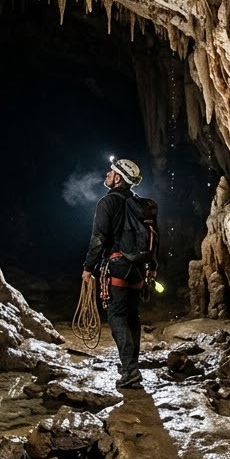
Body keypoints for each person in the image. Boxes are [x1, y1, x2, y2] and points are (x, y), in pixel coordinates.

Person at [81, 157, 149, 388]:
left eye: (110, 173)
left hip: (117, 266)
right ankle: (130, 366)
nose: (107, 175)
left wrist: (88, 269)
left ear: (118, 178)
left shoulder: (107, 203)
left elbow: (98, 239)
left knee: (117, 317)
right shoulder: (139, 204)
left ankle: (130, 371)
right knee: (132, 317)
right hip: (138, 269)